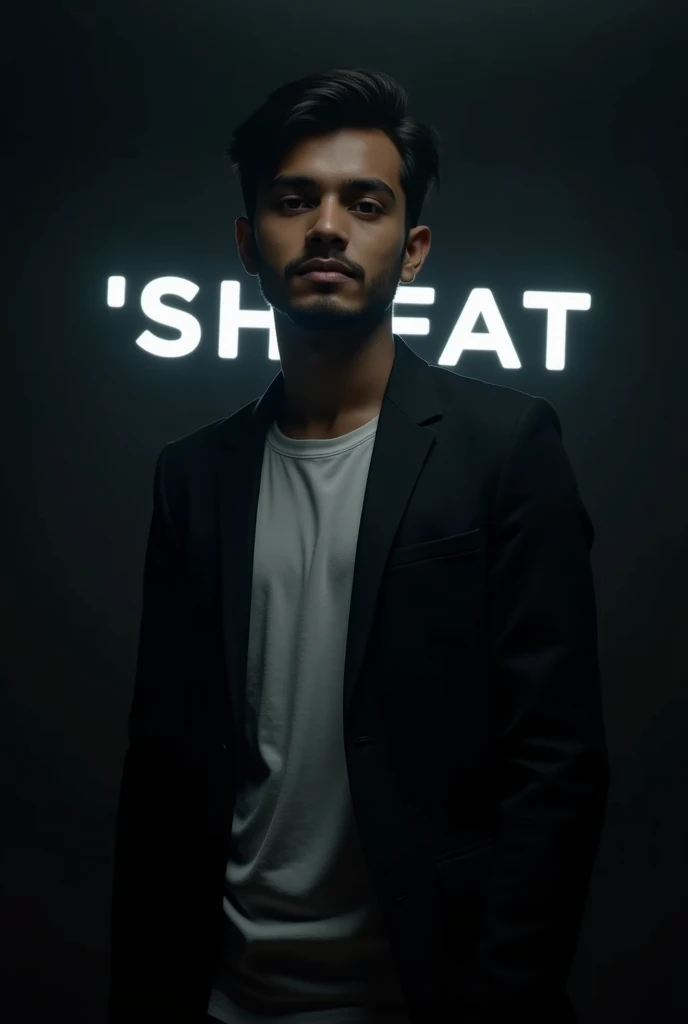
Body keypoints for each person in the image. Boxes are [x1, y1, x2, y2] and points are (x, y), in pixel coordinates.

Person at [107, 68, 610, 1024]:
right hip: (222, 1000)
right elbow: (163, 774)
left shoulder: (506, 448)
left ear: (412, 248)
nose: (328, 226)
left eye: (364, 202)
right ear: (250, 243)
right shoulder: (193, 475)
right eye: (295, 200)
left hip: (426, 998)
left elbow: (558, 767)